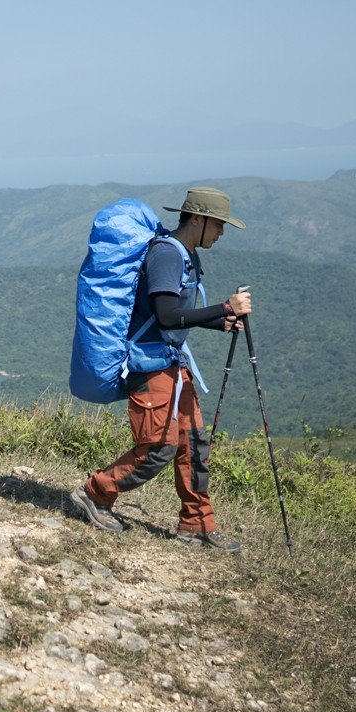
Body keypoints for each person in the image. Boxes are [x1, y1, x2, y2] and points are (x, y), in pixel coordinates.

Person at [69, 187, 253, 549]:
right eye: (217, 225)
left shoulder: (184, 254)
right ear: (197, 219)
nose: (221, 233)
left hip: (172, 364)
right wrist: (223, 307)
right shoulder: (167, 256)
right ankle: (95, 492)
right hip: (150, 367)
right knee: (158, 448)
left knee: (193, 445)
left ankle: (197, 525)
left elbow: (171, 317)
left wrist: (220, 322)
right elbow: (167, 316)